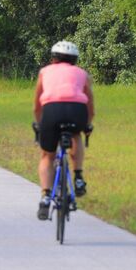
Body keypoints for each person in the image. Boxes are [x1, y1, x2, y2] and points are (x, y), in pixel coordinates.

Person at [33, 41, 95, 220]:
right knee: (76, 134)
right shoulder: (82, 74)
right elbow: (90, 104)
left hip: (51, 111)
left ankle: (45, 197)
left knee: (47, 156)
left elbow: (37, 105)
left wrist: (40, 124)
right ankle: (78, 176)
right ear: (74, 60)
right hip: (77, 111)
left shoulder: (44, 72)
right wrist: (87, 125)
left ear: (53, 59)